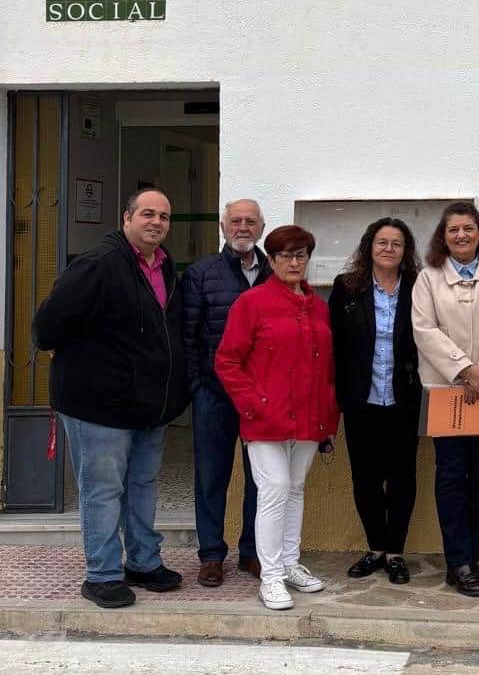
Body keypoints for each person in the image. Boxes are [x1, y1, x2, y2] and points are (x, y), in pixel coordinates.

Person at [33, 188, 187, 609]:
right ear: (126, 218)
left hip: (148, 405)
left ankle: (143, 561)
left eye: (164, 216)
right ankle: (102, 574)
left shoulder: (164, 264)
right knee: (103, 490)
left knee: (141, 486)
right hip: (98, 407)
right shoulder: (98, 264)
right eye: (148, 214)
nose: (156, 222)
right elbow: (46, 328)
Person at [215, 225, 340, 611]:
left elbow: (327, 367)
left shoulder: (318, 306)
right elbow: (227, 361)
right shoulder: (251, 303)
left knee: (296, 488)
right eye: (285, 255)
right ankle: (269, 576)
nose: (294, 262)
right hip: (265, 419)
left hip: (307, 417)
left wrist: (328, 415)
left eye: (301, 255)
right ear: (271, 261)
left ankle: (289, 563)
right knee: (274, 490)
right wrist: (253, 403)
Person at [411, 202, 479, 597]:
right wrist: (464, 370)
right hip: (448, 392)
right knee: (451, 478)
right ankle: (457, 560)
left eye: (468, 229)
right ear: (443, 236)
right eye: (453, 229)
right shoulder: (428, 279)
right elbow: (425, 331)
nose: (461, 235)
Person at [182, 198, 270, 588]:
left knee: (261, 478)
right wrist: (197, 386)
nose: (243, 228)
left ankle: (251, 551)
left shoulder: (276, 273)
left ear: (262, 228)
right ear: (223, 227)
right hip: (214, 396)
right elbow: (187, 337)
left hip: (261, 399)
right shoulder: (202, 273)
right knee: (211, 477)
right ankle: (211, 555)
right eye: (236, 221)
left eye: (250, 221)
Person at [329, 218, 422, 584]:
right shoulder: (347, 287)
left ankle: (396, 552)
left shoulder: (419, 287)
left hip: (404, 396)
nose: (388, 249)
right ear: (369, 246)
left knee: (402, 477)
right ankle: (376, 548)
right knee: (365, 477)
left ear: (405, 251)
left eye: (396, 243)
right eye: (381, 242)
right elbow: (336, 342)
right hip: (360, 398)